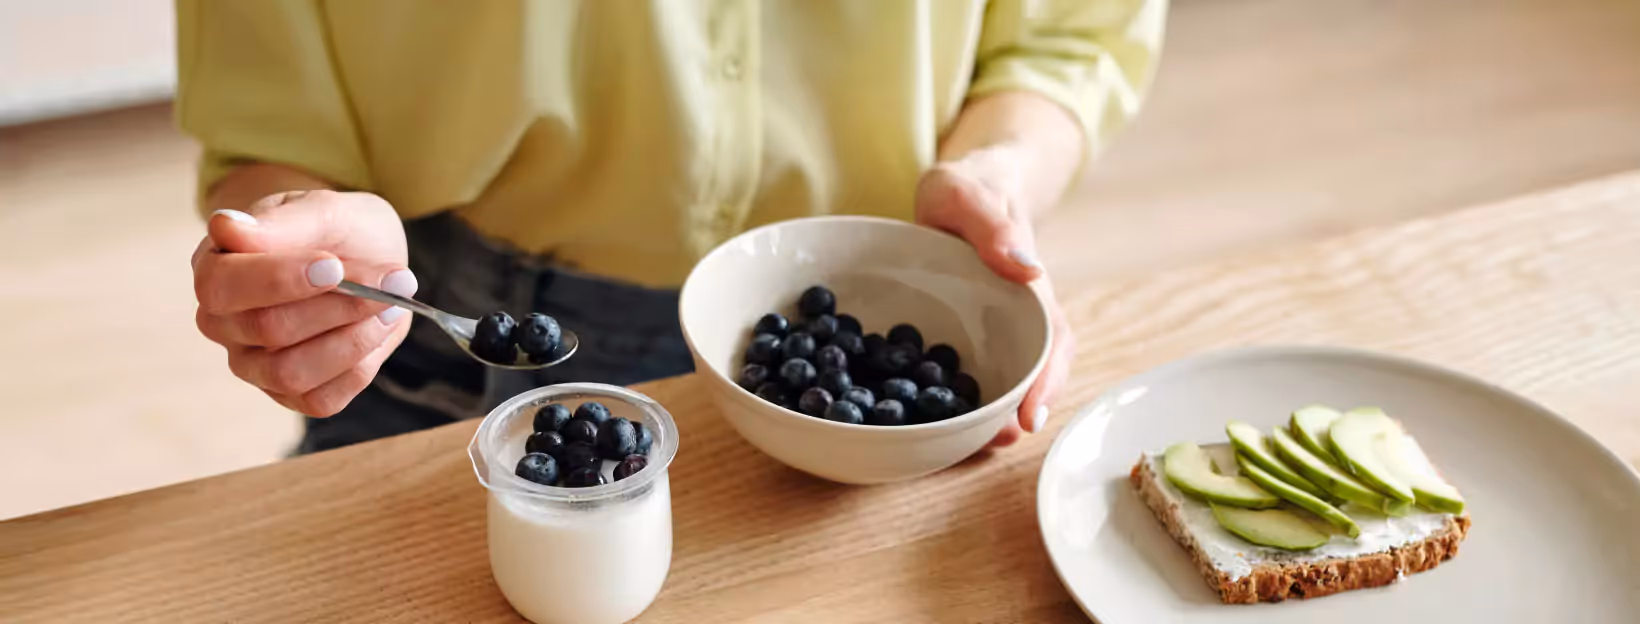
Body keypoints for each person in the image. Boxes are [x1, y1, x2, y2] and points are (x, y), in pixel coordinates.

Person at [179, 1, 1165, 454]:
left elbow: (1067, 36)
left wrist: (998, 177)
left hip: (869, 328)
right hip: (442, 342)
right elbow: (269, 128)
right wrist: (299, 242)